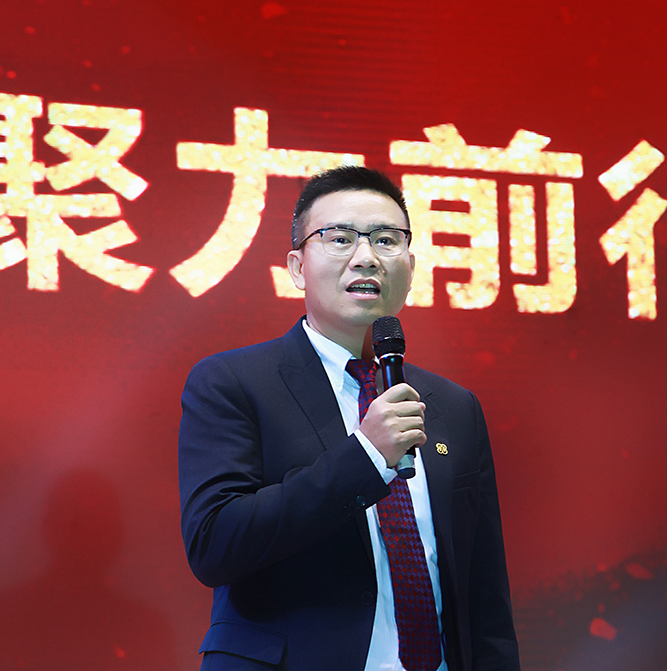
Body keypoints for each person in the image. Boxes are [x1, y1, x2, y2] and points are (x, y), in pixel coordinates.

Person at [178, 166, 520, 671]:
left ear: (410, 266)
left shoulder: (454, 406)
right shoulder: (233, 382)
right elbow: (215, 544)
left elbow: (483, 591)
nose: (367, 257)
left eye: (386, 240)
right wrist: (366, 456)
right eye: (340, 239)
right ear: (297, 267)